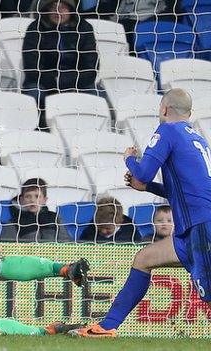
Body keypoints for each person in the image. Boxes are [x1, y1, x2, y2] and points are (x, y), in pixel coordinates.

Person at [70, 88, 211, 337]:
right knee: (144, 259)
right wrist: (148, 188)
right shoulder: (199, 140)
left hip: (202, 226)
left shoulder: (168, 130)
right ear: (189, 113)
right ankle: (107, 327)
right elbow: (186, 190)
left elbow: (143, 171)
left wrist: (129, 159)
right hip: (195, 226)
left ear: (165, 109)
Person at [21, 0, 100, 129]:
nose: (57, 12)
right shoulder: (35, 29)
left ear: (70, 9)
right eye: (53, 7)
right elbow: (31, 67)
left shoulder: (84, 28)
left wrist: (70, 82)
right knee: (33, 93)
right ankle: (36, 130)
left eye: (62, 7)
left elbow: (92, 67)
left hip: (77, 80)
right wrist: (54, 82)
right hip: (44, 81)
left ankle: (92, 131)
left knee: (97, 95)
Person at [2, 178, 70, 242]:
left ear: (44, 200)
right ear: (21, 200)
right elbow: (7, 247)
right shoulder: (14, 222)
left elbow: (66, 243)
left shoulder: (55, 218)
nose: (32, 200)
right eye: (28, 196)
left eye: (37, 196)